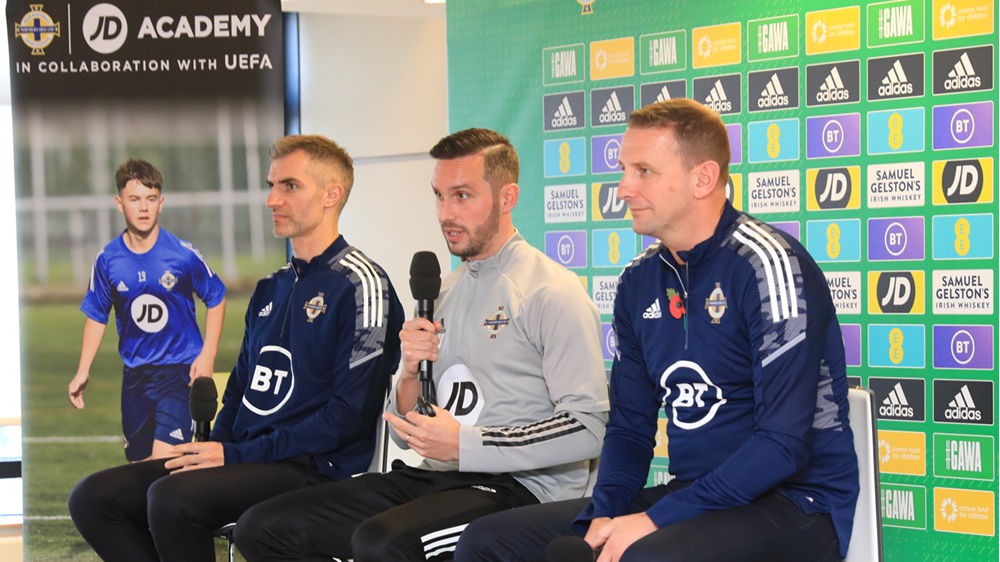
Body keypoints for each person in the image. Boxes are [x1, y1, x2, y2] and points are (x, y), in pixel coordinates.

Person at [455, 99, 859, 562]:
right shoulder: (639, 280)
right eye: (624, 168)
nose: (623, 188)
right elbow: (630, 426)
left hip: (796, 504)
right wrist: (604, 514)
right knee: (486, 541)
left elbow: (782, 444)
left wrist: (654, 522)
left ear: (702, 179)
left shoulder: (768, 265)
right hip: (692, 497)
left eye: (643, 170)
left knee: (644, 556)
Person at [234, 128, 610, 562]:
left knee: (383, 542)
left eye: (462, 196)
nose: (445, 212)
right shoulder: (441, 292)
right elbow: (413, 434)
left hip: (515, 488)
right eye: (439, 196)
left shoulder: (551, 291)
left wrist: (468, 444)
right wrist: (409, 373)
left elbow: (588, 428)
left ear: (507, 198)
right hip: (433, 477)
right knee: (262, 528)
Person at [68, 135, 404, 562]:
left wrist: (232, 453)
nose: (271, 199)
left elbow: (348, 418)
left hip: (313, 468)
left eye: (289, 186)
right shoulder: (271, 287)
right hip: (247, 459)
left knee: (172, 499)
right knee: (94, 498)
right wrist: (215, 449)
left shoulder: (362, 283)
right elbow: (241, 390)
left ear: (331, 195)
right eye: (272, 185)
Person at [69, 158, 227, 462]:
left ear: (161, 203)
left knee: (164, 468)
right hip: (136, 377)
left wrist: (207, 355)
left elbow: (216, 297)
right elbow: (97, 314)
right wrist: (83, 370)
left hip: (180, 374)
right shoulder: (108, 260)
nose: (143, 208)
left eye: (151, 199)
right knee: (138, 472)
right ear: (119, 203)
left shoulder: (182, 254)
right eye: (135, 199)